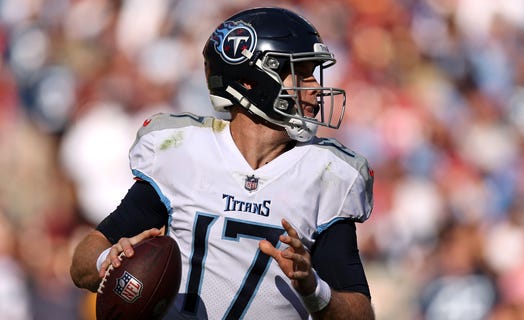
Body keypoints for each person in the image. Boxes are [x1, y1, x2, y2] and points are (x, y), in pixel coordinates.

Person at [69, 6, 375, 320]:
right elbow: (82, 263)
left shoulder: (325, 175)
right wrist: (109, 258)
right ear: (253, 80)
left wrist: (315, 289)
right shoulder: (183, 152)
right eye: (302, 74)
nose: (315, 90)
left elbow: (360, 314)